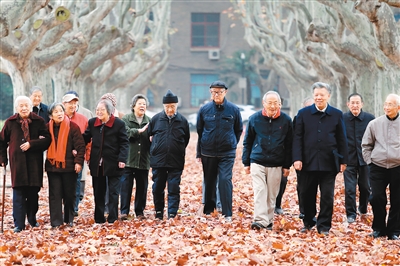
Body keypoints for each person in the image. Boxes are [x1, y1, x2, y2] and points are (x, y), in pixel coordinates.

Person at [293, 82, 348, 236]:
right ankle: (309, 221)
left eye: (321, 95)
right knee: (306, 194)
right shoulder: (303, 114)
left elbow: (342, 138)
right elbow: (297, 137)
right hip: (307, 162)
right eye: (316, 95)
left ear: (328, 96)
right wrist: (297, 158)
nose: (318, 97)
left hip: (329, 162)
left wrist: (343, 160)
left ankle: (324, 226)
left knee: (327, 196)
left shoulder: (336, 114)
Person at [242, 91, 293, 230]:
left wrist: (287, 165)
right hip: (257, 160)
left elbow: (289, 144)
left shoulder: (286, 121)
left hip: (276, 162)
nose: (272, 106)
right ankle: (259, 220)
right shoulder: (254, 119)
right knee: (260, 191)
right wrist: (246, 162)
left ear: (280, 104)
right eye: (269, 103)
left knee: (271, 195)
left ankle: (268, 221)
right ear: (264, 104)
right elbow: (248, 141)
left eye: (275, 103)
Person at [0, 96, 51, 232]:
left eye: (26, 106)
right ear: (17, 108)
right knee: (18, 194)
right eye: (21, 106)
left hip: (34, 164)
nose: (24, 108)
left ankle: (32, 219)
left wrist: (32, 144)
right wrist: (2, 159)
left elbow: (47, 140)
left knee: (33, 194)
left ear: (30, 107)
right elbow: (2, 142)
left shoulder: (39, 121)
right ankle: (19, 224)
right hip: (18, 164)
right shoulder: (10, 123)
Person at [196, 80, 243, 221]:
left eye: (219, 92)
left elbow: (238, 129)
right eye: (213, 92)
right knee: (209, 181)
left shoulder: (233, 110)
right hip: (208, 151)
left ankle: (227, 212)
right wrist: (199, 152)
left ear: (225, 92)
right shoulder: (204, 110)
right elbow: (200, 130)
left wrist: (231, 142)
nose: (216, 94)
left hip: (226, 152)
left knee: (224, 180)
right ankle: (209, 211)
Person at [83, 99, 129, 223]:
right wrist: (76, 147)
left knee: (113, 192)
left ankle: (112, 218)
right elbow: (85, 138)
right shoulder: (92, 123)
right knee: (98, 191)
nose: (99, 112)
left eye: (102, 110)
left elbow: (124, 143)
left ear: (109, 111)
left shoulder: (119, 124)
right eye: (97, 110)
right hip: (97, 163)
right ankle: (99, 218)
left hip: (114, 162)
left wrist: (122, 159)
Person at [362, 93, 400, 240]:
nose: (387, 107)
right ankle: (378, 228)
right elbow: (366, 145)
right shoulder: (374, 124)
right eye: (385, 104)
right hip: (377, 166)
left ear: (398, 107)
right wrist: (369, 162)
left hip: (398, 166)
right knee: (376, 197)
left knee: (397, 200)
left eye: (390, 104)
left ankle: (394, 231)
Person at [148, 90, 190, 220]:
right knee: (157, 187)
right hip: (158, 160)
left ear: (176, 106)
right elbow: (149, 136)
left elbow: (186, 139)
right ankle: (159, 212)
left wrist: (177, 149)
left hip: (176, 160)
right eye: (167, 107)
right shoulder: (156, 119)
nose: (170, 109)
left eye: (172, 106)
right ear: (163, 106)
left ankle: (172, 213)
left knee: (173, 187)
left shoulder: (182, 121)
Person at [45, 103, 85, 228]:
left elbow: (80, 146)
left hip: (69, 167)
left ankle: (69, 220)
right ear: (51, 115)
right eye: (56, 112)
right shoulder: (47, 128)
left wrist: (78, 162)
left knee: (69, 194)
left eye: (61, 111)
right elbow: (42, 143)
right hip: (53, 167)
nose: (59, 114)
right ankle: (56, 222)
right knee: (55, 195)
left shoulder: (73, 127)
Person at [275, 97, 314, 217]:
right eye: (308, 107)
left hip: (319, 157)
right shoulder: (298, 119)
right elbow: (294, 139)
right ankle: (303, 211)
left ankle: (313, 212)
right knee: (302, 186)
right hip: (302, 157)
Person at [343, 93, 375, 223]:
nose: (355, 105)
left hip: (366, 159)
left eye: (357, 103)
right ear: (348, 104)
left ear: (362, 104)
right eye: (352, 103)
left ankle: (363, 208)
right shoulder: (342, 118)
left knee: (365, 187)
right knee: (350, 188)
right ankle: (351, 214)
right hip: (348, 159)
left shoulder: (370, 119)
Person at [120, 94, 151, 220]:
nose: (142, 106)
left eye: (144, 104)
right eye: (140, 104)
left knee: (142, 187)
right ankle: (124, 211)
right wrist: (138, 131)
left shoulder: (149, 121)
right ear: (133, 106)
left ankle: (139, 212)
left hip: (144, 159)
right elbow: (124, 133)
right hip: (128, 159)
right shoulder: (126, 119)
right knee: (126, 187)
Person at [64, 90, 93, 205]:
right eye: (70, 103)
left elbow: (89, 139)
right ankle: (66, 206)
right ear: (64, 104)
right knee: (64, 183)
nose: (73, 105)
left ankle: (74, 208)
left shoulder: (83, 119)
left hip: (78, 157)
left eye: (75, 103)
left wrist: (87, 155)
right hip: (63, 157)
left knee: (76, 182)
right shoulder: (59, 118)